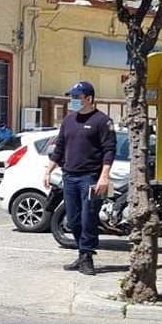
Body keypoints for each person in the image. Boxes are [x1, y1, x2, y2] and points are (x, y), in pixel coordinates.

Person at [44, 81, 116, 276]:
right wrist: (48, 170)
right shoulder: (68, 121)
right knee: (73, 220)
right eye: (72, 97)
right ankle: (81, 252)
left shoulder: (102, 121)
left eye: (77, 97)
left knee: (88, 218)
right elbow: (59, 148)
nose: (73, 101)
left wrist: (104, 176)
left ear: (89, 99)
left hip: (91, 177)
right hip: (70, 176)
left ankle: (87, 256)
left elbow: (109, 150)